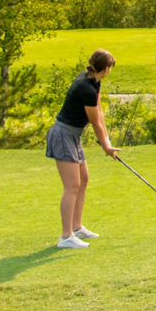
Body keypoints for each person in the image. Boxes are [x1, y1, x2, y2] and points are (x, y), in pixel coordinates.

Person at [48, 49, 119, 248]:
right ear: (106, 69)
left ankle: (77, 227)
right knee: (71, 186)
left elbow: (99, 112)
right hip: (63, 135)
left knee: (83, 180)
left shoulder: (93, 81)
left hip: (73, 135)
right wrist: (105, 146)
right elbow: (95, 123)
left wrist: (108, 142)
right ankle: (66, 236)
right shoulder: (85, 88)